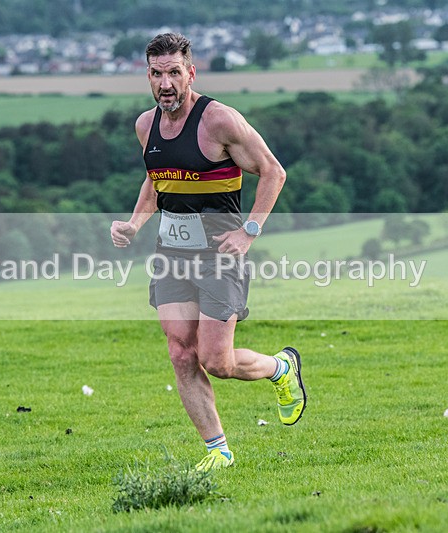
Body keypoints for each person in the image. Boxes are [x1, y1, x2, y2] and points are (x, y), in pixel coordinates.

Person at [110, 33, 306, 471]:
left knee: (216, 361)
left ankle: (281, 368)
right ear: (147, 76)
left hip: (220, 251)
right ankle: (218, 451)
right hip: (172, 252)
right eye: (157, 74)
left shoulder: (219, 121)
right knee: (180, 352)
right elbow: (156, 180)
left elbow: (274, 171)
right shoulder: (146, 127)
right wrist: (134, 224)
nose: (165, 84)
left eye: (174, 73)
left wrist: (250, 231)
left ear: (191, 73)